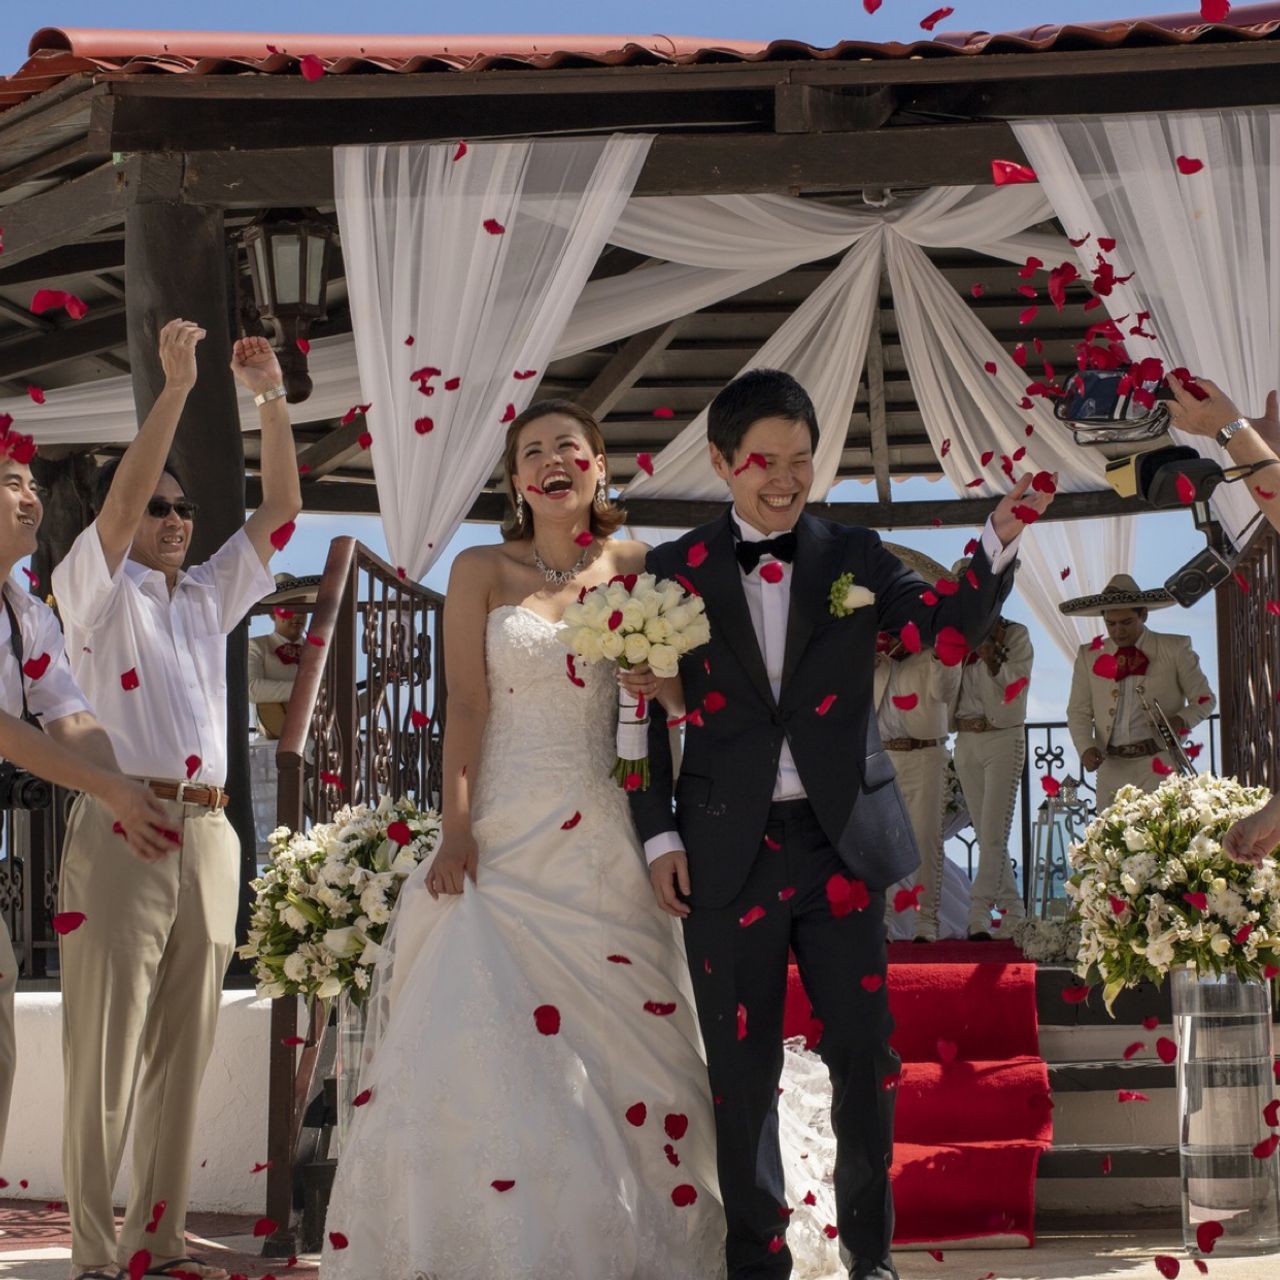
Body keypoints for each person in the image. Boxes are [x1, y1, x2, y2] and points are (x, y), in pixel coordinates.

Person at [628, 369, 1049, 1280]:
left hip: (840, 846)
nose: (785, 480)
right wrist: (657, 834)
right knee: (740, 1070)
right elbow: (637, 716)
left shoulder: (856, 554)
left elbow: (944, 627)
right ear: (721, 463)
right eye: (763, 462)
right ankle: (758, 1265)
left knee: (864, 1055)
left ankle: (871, 1260)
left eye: (801, 460)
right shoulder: (671, 571)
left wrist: (1000, 536)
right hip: (722, 849)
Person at [319, 400, 726, 1279]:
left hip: (606, 829)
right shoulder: (480, 570)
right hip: (504, 830)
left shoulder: (638, 565)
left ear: (599, 467)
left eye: (568, 447)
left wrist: (657, 678)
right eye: (531, 451)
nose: (551, 461)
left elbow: (681, 699)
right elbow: (466, 706)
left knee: (630, 1037)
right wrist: (457, 828)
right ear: (515, 480)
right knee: (482, 1033)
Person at [50, 320, 302, 1280]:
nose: (174, 518)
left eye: (184, 507)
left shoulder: (205, 595)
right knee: (104, 1060)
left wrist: (270, 396)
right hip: (123, 824)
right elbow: (120, 502)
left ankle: (155, 1247)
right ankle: (92, 1255)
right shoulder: (90, 587)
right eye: (159, 506)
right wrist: (178, 387)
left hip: (211, 829)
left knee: (182, 1055)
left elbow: (283, 506)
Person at [0, 434, 171, 1176]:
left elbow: (68, 717)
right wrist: (110, 792)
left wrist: (129, 793)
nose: (31, 497)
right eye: (11, 482)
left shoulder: (27, 615)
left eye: (32, 484)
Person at [1062, 574, 1216, 810]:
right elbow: (1078, 711)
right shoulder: (1088, 655)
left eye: (1126, 622)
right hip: (1111, 766)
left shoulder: (1175, 648)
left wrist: (1180, 720)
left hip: (1158, 763)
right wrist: (1085, 747)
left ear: (1143, 614)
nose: (1118, 631)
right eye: (1111, 624)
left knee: (1161, 830)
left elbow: (1205, 699)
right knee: (1109, 833)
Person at [948, 580, 1033, 941]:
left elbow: (1018, 683)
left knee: (994, 833)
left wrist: (992, 661)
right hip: (965, 739)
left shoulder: (1014, 634)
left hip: (1002, 737)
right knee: (987, 837)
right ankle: (1014, 913)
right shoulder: (954, 637)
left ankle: (978, 914)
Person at [874, 633, 961, 943]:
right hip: (883, 755)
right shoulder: (876, 655)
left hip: (925, 754)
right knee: (885, 843)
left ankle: (926, 922)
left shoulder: (930, 654)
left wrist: (938, 652)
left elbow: (946, 690)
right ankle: (883, 921)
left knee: (926, 839)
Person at [247, 576, 313, 739]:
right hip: (272, 741)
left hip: (318, 739)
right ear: (272, 614)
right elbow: (251, 689)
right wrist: (307, 690)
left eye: (302, 609)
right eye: (289, 608)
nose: (297, 615)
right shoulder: (256, 646)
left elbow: (335, 698)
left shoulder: (318, 652)